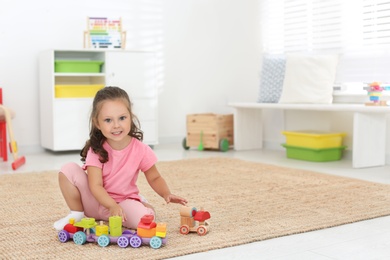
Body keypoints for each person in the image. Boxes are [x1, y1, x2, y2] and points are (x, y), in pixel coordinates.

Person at [53, 86, 187, 230]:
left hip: (123, 204)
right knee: (67, 169)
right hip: (94, 203)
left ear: (131, 117)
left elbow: (154, 177)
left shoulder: (141, 149)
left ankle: (142, 204)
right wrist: (111, 206)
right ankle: (77, 213)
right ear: (97, 123)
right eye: (108, 120)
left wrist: (166, 193)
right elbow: (95, 185)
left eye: (122, 118)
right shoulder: (96, 149)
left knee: (143, 222)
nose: (116, 125)